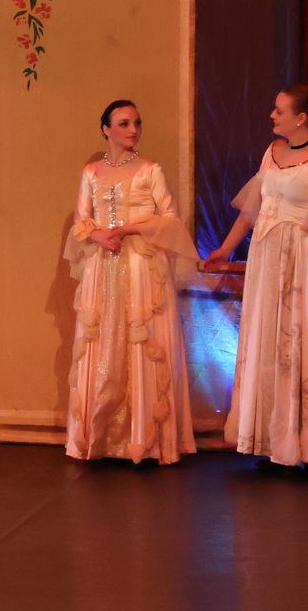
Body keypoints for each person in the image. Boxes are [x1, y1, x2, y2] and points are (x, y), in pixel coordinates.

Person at [58, 100, 197, 464]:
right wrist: (98, 235)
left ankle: (143, 438)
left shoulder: (150, 170)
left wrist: (129, 229)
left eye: (136, 122)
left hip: (139, 266)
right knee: (102, 341)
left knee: (141, 342)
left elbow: (171, 218)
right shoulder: (91, 172)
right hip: (102, 265)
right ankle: (100, 437)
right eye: (123, 123)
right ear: (106, 129)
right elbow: (81, 220)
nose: (133, 130)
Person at [203, 84, 308, 467]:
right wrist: (224, 249)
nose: (272, 115)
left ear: (301, 118)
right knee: (265, 340)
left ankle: (297, 441)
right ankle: (266, 437)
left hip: (299, 260)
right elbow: (251, 211)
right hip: (265, 257)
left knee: (296, 341)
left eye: (280, 111)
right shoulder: (272, 153)